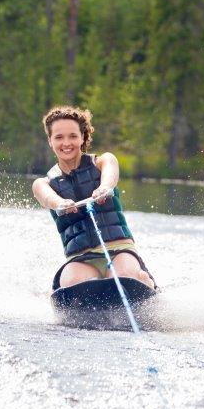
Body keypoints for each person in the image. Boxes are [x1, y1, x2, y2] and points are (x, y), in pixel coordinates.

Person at [32, 105, 155, 291]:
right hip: (80, 259)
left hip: (118, 250)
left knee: (122, 276)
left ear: (82, 137)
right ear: (50, 141)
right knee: (73, 282)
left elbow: (110, 175)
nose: (66, 143)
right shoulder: (43, 184)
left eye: (73, 136)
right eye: (59, 137)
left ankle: (143, 281)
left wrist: (104, 188)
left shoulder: (103, 161)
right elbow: (47, 198)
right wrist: (60, 203)